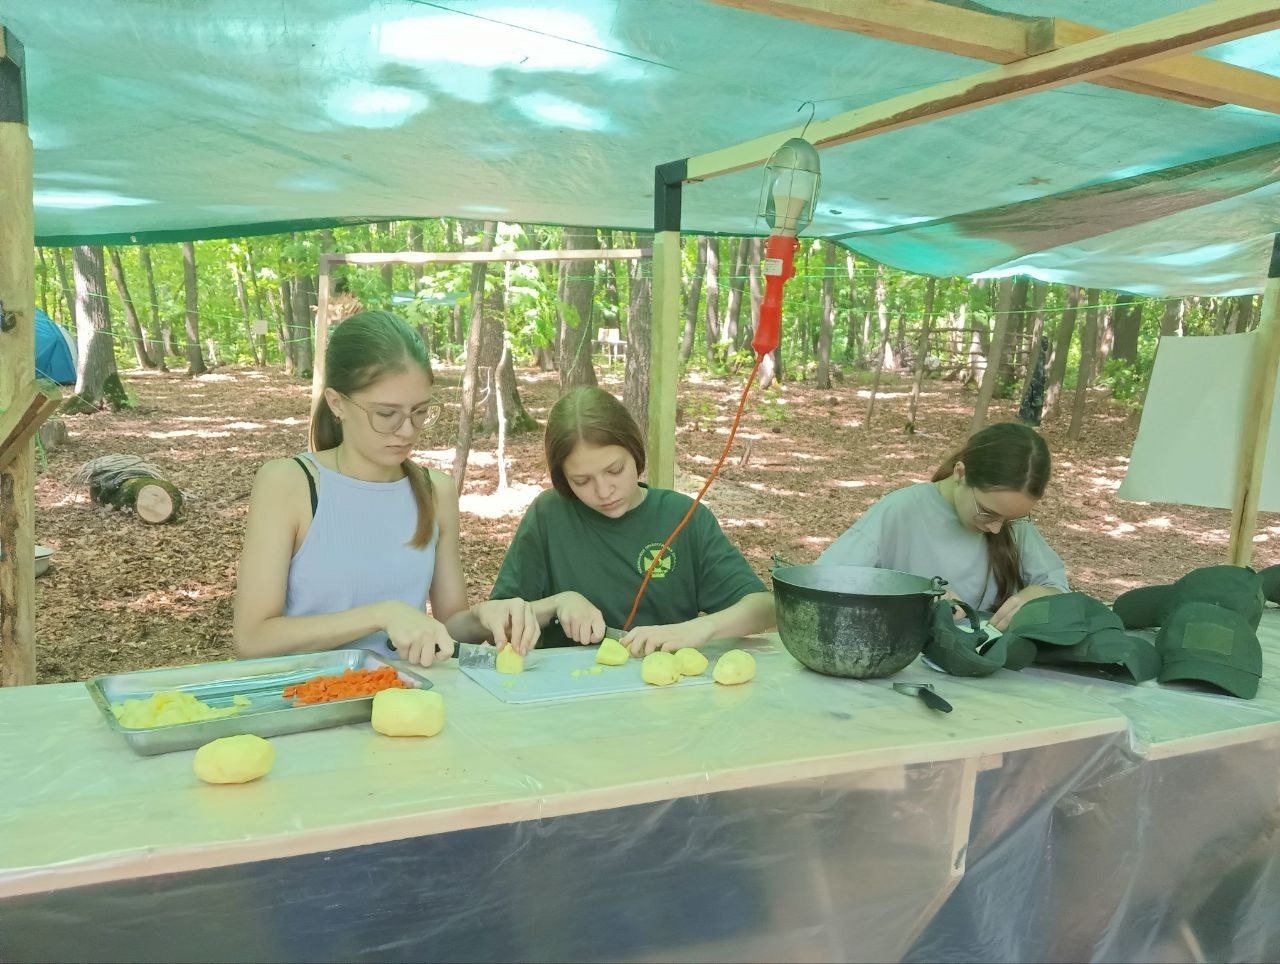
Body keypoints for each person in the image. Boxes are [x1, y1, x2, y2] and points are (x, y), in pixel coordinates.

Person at [233, 310, 537, 666]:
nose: (407, 430)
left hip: (407, 698)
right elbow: (252, 638)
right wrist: (381, 615)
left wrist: (486, 616)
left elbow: (450, 626)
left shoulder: (434, 490)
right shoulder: (291, 484)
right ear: (337, 403)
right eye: (386, 414)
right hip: (309, 702)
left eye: (420, 411)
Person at [491, 386, 775, 656]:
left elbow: (765, 608)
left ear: (635, 451)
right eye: (582, 481)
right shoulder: (549, 516)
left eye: (615, 470)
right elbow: (498, 619)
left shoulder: (682, 517)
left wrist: (701, 628)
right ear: (562, 478)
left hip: (667, 688)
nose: (603, 491)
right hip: (568, 690)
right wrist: (557, 604)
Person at [818, 421, 1068, 631]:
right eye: (988, 513)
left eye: (1009, 519)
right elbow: (821, 585)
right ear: (960, 474)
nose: (995, 529)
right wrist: (912, 599)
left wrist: (1040, 597)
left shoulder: (1011, 523)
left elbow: (1057, 589)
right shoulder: (903, 510)